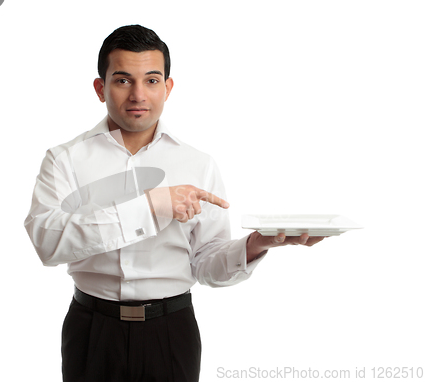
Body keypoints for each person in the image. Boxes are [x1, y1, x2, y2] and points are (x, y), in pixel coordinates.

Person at [24, 24, 325, 382]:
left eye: (151, 81)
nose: (138, 94)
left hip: (171, 331)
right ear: (100, 88)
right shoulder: (64, 160)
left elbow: (206, 264)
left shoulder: (198, 164)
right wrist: (152, 206)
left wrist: (255, 244)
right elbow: (47, 243)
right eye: (123, 80)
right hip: (92, 330)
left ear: (167, 87)